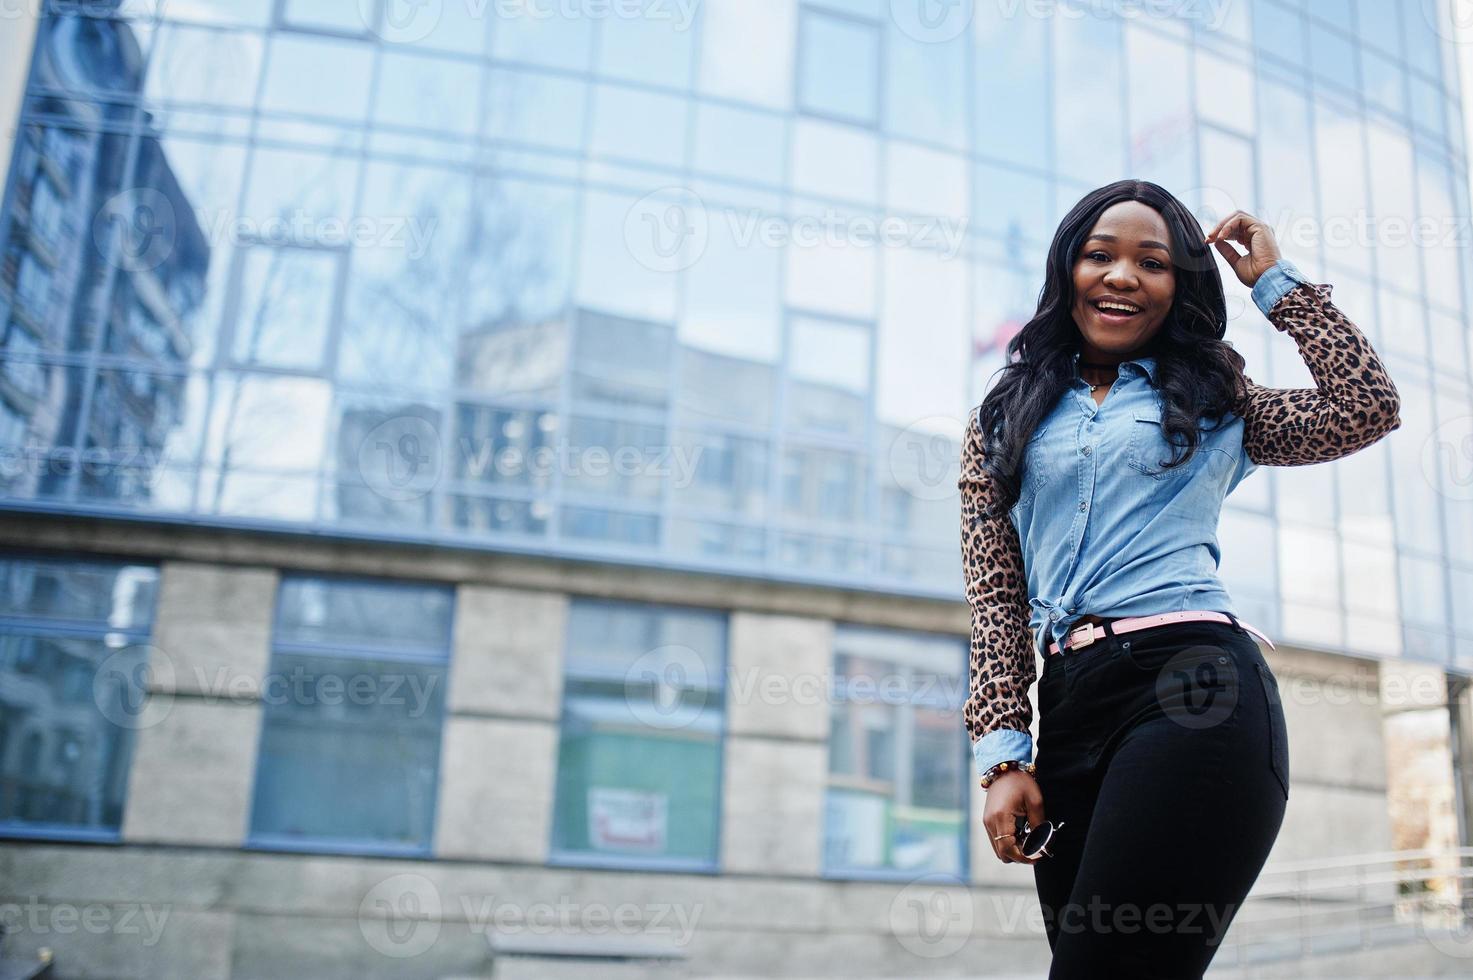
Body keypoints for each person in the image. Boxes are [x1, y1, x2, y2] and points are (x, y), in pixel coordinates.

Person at [958, 179, 1401, 978]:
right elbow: (994, 598)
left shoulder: (1213, 399)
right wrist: (1001, 755)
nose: (1121, 276)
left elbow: (1364, 405)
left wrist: (1275, 281)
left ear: (1178, 287)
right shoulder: (1002, 419)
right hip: (1067, 710)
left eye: (1152, 262)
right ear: (1067, 272)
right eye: (1100, 255)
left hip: (1193, 689)